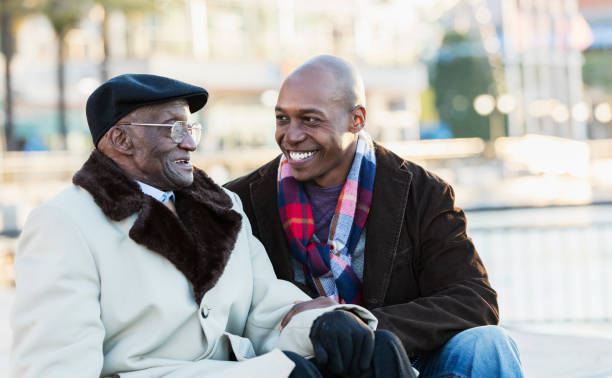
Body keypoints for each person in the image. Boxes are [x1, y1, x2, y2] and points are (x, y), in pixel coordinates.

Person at [10, 74, 416, 378]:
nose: (190, 142)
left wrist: (324, 324)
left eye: (191, 128)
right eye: (174, 128)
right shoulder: (65, 224)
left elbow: (264, 306)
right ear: (121, 140)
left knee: (375, 351)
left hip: (243, 371)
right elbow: (54, 367)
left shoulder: (223, 207)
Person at [225, 55, 525, 377]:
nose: (292, 135)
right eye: (282, 119)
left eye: (310, 120)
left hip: (405, 356)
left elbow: (474, 300)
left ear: (357, 119)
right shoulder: (239, 202)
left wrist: (361, 326)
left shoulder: (423, 192)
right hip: (305, 363)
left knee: (489, 344)